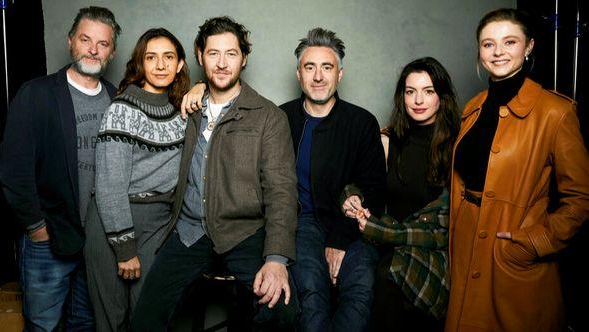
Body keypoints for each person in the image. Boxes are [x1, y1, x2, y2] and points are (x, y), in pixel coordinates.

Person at [131, 16, 298, 331]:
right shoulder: (185, 108)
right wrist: (198, 88)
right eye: (213, 54)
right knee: (145, 318)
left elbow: (282, 192)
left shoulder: (269, 117)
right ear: (199, 56)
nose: (222, 63)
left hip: (245, 233)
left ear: (244, 58)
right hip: (190, 231)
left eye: (231, 54)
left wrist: (276, 259)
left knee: (282, 310)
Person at [447, 8, 589, 331]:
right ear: (479, 52)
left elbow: (581, 198)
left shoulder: (557, 112)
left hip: (510, 248)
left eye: (509, 42)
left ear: (529, 47)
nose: (498, 52)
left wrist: (534, 242)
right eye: (488, 44)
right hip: (465, 240)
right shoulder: (473, 107)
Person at [0, 6, 120, 331]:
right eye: (85, 39)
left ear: (112, 51)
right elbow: (14, 170)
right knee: (43, 325)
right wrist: (36, 227)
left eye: (103, 43)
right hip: (49, 241)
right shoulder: (36, 94)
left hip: (97, 243)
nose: (93, 49)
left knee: (85, 323)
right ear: (70, 42)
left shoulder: (115, 98)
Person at [83, 28, 190, 331]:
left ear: (180, 64)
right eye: (151, 57)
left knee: (149, 317)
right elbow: (109, 184)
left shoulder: (181, 109)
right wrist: (125, 249)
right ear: (140, 64)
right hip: (114, 222)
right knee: (111, 321)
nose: (160, 65)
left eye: (168, 57)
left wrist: (200, 89)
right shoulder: (121, 110)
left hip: (159, 222)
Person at [341, 57, 460, 331]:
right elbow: (358, 184)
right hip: (388, 244)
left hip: (435, 249)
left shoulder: (457, 145)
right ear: (402, 96)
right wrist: (351, 198)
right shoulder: (386, 140)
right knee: (376, 275)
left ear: (441, 97)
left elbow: (448, 225)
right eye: (410, 91)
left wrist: (383, 231)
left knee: (388, 275)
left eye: (428, 91)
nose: (418, 100)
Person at [280, 28, 386, 332]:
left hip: (354, 225)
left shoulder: (361, 122)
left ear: (339, 74)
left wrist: (340, 239)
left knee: (361, 287)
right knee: (311, 288)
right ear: (299, 74)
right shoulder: (280, 118)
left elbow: (375, 189)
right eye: (309, 67)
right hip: (302, 223)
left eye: (327, 67)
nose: (318, 76)